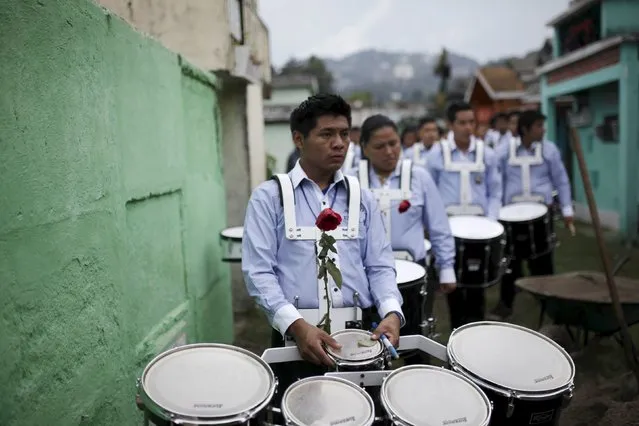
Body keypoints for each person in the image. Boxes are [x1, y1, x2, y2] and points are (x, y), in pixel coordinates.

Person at [241, 94, 404, 399]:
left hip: (361, 341)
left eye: (344, 133)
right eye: (326, 134)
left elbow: (380, 266)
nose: (339, 143)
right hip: (296, 341)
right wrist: (297, 326)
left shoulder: (363, 198)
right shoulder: (269, 197)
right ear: (299, 139)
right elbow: (259, 273)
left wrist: (391, 313)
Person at [351, 114, 457, 363]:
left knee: (415, 347)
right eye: (380, 146)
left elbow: (438, 225)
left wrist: (447, 267)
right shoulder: (352, 181)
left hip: (414, 275)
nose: (389, 151)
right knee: (368, 347)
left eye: (394, 143)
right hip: (367, 277)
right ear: (364, 148)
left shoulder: (419, 177)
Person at [489, 110, 574, 320]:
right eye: (538, 126)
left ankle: (551, 306)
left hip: (540, 215)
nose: (543, 130)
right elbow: (493, 178)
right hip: (510, 216)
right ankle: (505, 304)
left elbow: (561, 180)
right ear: (525, 129)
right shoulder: (503, 151)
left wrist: (567, 209)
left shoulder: (550, 150)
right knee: (510, 263)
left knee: (544, 262)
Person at [426, 102, 502, 328]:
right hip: (449, 229)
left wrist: (492, 222)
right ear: (450, 125)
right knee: (454, 289)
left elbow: (495, 191)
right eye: (462, 122)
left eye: (472, 122)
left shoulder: (486, 153)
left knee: (478, 289)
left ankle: (476, 339)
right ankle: (458, 336)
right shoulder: (436, 155)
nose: (468, 127)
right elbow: (430, 193)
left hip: (480, 228)